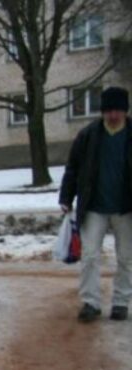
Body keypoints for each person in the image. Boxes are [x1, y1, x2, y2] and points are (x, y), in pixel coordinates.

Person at [59, 85, 132, 323]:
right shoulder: (88, 135)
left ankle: (121, 302)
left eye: (117, 110)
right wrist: (66, 197)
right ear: (102, 111)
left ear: (125, 111)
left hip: (126, 208)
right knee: (90, 255)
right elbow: (73, 168)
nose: (113, 115)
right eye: (109, 111)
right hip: (93, 206)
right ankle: (91, 302)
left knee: (126, 258)